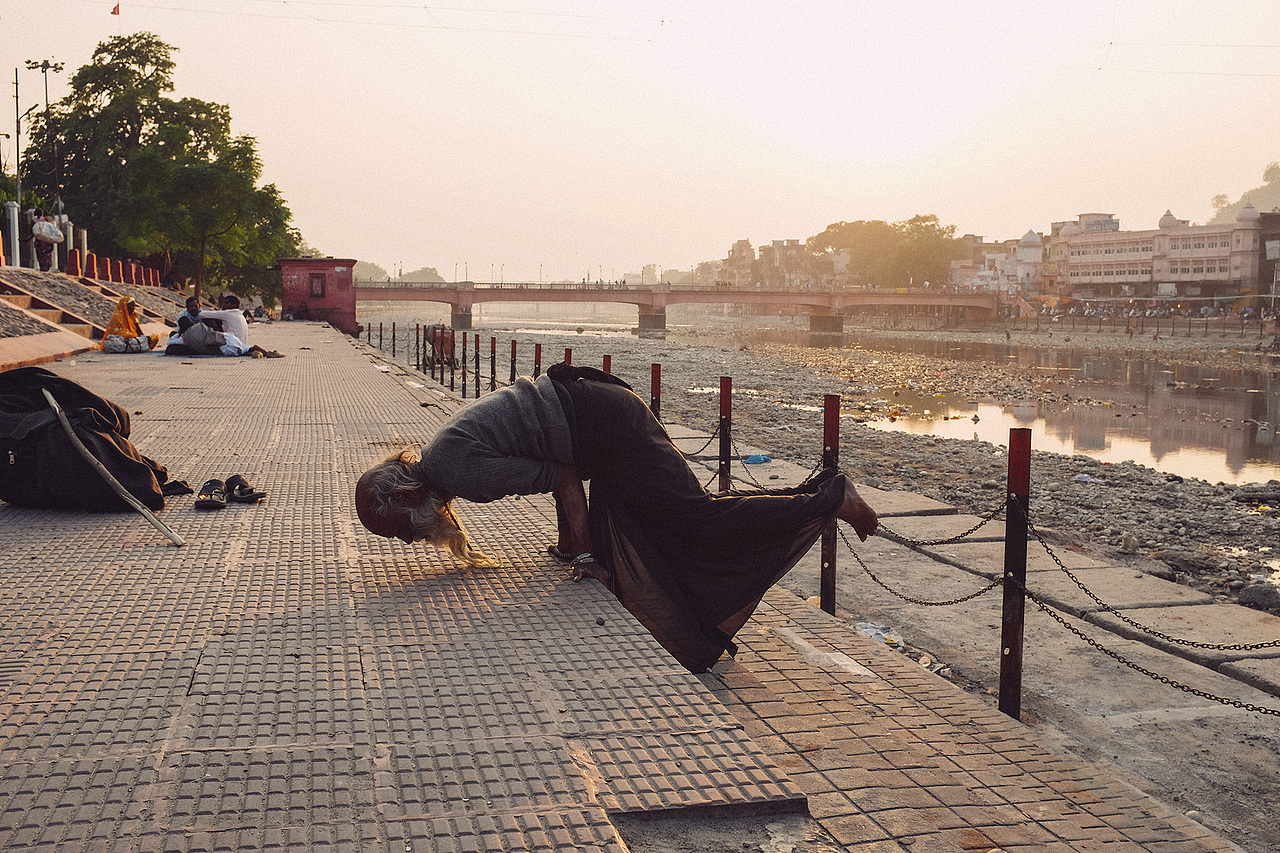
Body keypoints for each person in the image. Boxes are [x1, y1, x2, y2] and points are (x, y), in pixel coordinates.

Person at [355, 363, 879, 672]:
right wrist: (572, 549)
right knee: (639, 530)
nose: (407, 540)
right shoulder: (445, 460)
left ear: (405, 498)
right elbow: (560, 468)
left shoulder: (458, 470)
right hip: (594, 419)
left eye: (400, 530)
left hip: (608, 423)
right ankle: (821, 499)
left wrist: (582, 555)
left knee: (691, 517)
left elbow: (563, 479)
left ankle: (830, 499)